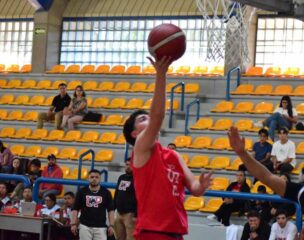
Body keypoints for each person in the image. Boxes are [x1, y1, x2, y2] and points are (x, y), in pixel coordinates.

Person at [122, 56, 213, 240]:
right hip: (152, 232)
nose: (148, 120)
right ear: (134, 134)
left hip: (176, 232)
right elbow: (157, 116)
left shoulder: (173, 155)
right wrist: (161, 74)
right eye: (142, 119)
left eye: (147, 117)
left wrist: (201, 185)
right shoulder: (140, 148)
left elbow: (194, 188)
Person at [71, 169, 115, 240]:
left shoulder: (106, 193)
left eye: (96, 177)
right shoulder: (81, 192)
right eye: (92, 177)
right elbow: (75, 208)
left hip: (101, 227)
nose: (94, 179)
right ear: (88, 178)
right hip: (84, 226)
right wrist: (73, 224)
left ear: (100, 179)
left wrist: (111, 225)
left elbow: (111, 210)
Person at [114, 161, 137, 240]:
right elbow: (117, 192)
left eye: (130, 164)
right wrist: (113, 208)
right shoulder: (121, 177)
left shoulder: (138, 178)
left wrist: (136, 214)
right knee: (119, 237)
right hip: (119, 212)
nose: (128, 166)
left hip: (130, 214)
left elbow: (140, 197)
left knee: (130, 238)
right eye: (126, 164)